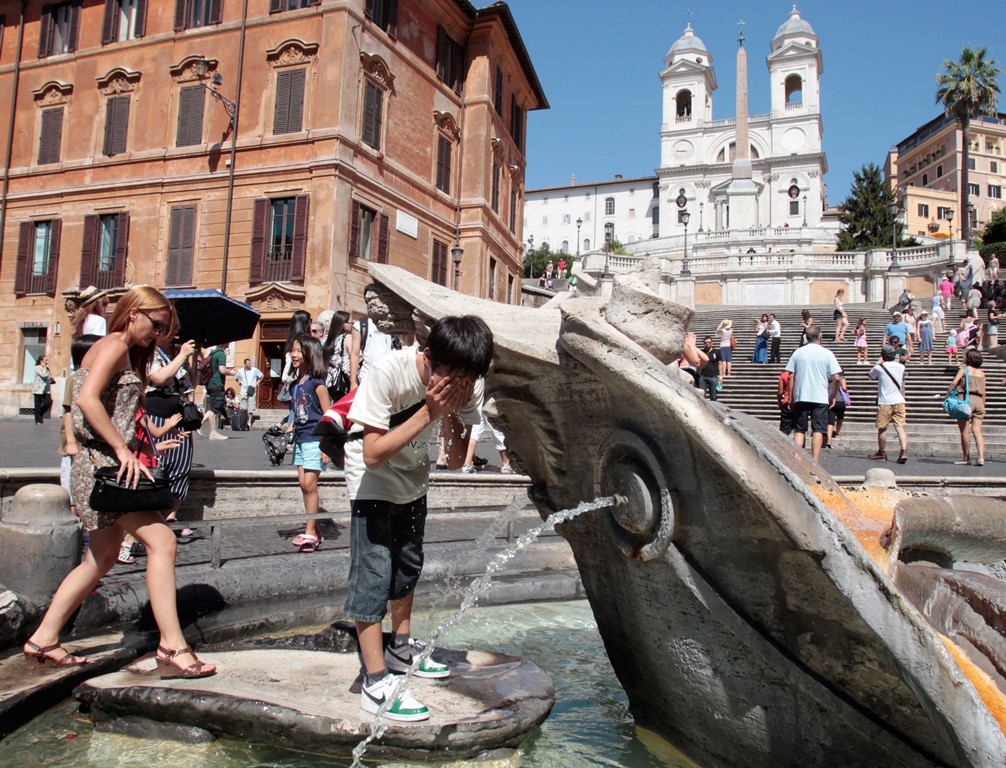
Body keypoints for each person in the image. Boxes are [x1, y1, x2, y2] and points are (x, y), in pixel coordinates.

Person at [23, 286, 216, 679]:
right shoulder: (113, 344)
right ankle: (172, 648)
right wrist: (123, 450)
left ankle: (42, 639)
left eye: (166, 328)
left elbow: (122, 405)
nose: (159, 333)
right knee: (162, 541)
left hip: (101, 465)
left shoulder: (123, 350)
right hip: (104, 464)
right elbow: (88, 400)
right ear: (134, 314)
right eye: (157, 324)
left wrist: (150, 436)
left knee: (102, 557)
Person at [344, 315, 492, 721]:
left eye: (469, 379)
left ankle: (401, 647)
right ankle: (375, 681)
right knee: (373, 569)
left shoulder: (467, 385)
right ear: (428, 358)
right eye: (454, 377)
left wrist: (455, 413)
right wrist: (430, 410)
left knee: (408, 562)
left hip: (413, 476)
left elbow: (460, 459)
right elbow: (372, 452)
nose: (461, 385)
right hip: (370, 475)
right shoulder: (390, 371)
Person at [146, 337, 198, 538]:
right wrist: (182, 355)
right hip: (157, 415)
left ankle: (171, 515)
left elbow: (190, 385)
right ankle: (153, 516)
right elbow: (160, 378)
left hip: (180, 417)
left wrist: (192, 363)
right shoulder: (151, 353)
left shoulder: (178, 354)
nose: (176, 335)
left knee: (181, 466)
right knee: (157, 465)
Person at [287, 334, 332, 553]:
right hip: (302, 439)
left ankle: (310, 533)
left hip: (315, 439)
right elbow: (299, 412)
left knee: (310, 485)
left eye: (298, 351)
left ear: (309, 353)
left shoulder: (317, 383)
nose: (294, 355)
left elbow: (328, 415)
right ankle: (312, 528)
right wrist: (289, 425)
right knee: (303, 485)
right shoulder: (296, 384)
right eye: (293, 351)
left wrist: (326, 444)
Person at [784, 326, 841, 462]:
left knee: (799, 430)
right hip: (820, 396)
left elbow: (790, 376)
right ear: (820, 337)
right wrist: (833, 395)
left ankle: (797, 461)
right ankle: (814, 463)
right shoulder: (827, 353)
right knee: (818, 430)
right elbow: (837, 378)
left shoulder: (798, 353)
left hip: (801, 395)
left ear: (806, 337)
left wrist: (792, 396)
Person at [60, 336, 101, 513]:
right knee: (72, 491)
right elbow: (68, 412)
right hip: (76, 445)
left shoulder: (97, 379)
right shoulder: (75, 379)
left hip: (91, 446)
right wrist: (70, 442)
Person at [868, 345, 908, 464]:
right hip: (899, 400)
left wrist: (878, 362)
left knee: (882, 428)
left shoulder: (879, 367)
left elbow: (870, 376)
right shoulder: (901, 367)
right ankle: (904, 451)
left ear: (883, 355)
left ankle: (881, 452)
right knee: (900, 427)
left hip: (885, 401)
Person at [350, 299, 401, 390]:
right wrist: (353, 382)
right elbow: (354, 354)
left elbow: (409, 342)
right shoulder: (360, 325)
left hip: (391, 378)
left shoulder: (395, 323)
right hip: (367, 377)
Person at [948, 348, 987, 466]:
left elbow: (954, 382)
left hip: (965, 400)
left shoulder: (964, 370)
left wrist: (947, 394)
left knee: (965, 431)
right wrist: (983, 404)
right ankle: (981, 457)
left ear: (968, 358)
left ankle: (966, 457)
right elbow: (984, 391)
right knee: (978, 431)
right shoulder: (982, 373)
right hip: (979, 401)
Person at [200, 344, 233, 439]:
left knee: (214, 407)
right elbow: (222, 370)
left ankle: (200, 424)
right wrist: (232, 373)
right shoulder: (221, 354)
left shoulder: (213, 352)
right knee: (215, 409)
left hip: (210, 383)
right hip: (217, 383)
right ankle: (213, 433)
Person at [323, 311, 353, 402]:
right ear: (342, 323)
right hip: (344, 380)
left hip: (330, 381)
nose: (352, 324)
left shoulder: (329, 340)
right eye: (350, 322)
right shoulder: (348, 338)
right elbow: (355, 357)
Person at [827, 369, 850, 450]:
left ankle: (829, 440)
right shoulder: (841, 378)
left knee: (830, 420)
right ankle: (837, 431)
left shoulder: (828, 378)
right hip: (839, 400)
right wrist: (847, 394)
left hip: (830, 399)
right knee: (840, 417)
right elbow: (844, 388)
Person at [33, 355, 55, 425]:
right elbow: (43, 375)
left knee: (48, 403)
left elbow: (48, 377)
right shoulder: (37, 368)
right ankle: (38, 420)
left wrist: (52, 379)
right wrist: (45, 368)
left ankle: (39, 414)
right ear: (41, 361)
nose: (46, 362)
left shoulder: (47, 369)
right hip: (38, 389)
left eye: (47, 360)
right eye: (45, 360)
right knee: (38, 405)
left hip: (46, 389)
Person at [697, 336, 720, 401]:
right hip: (703, 376)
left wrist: (721, 375)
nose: (707, 344)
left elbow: (721, 364)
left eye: (709, 342)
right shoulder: (702, 352)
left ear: (712, 343)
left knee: (713, 396)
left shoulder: (717, 352)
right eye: (706, 342)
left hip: (713, 376)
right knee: (702, 396)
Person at [777, 369, 794, 436]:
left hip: (787, 402)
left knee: (784, 428)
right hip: (800, 402)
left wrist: (779, 402)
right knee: (800, 430)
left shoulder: (784, 374)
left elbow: (780, 392)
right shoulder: (801, 373)